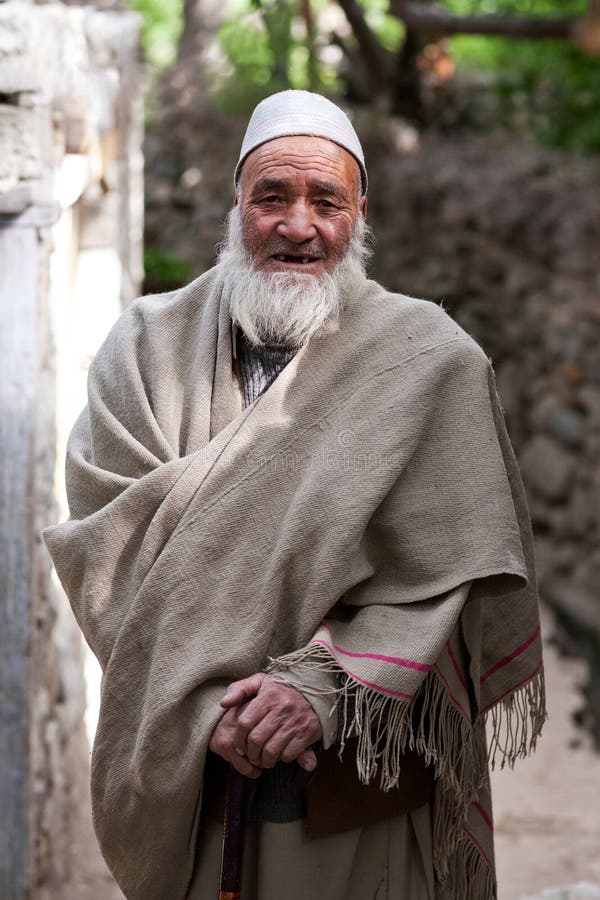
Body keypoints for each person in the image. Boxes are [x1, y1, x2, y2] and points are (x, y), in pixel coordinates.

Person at [45, 90, 546, 900]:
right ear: (236, 203)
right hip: (198, 782)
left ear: (360, 214)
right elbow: (110, 548)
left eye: (326, 201)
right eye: (272, 197)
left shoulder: (432, 362)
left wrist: (325, 683)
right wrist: (214, 707)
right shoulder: (143, 349)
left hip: (365, 797)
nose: (298, 226)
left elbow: (456, 571)